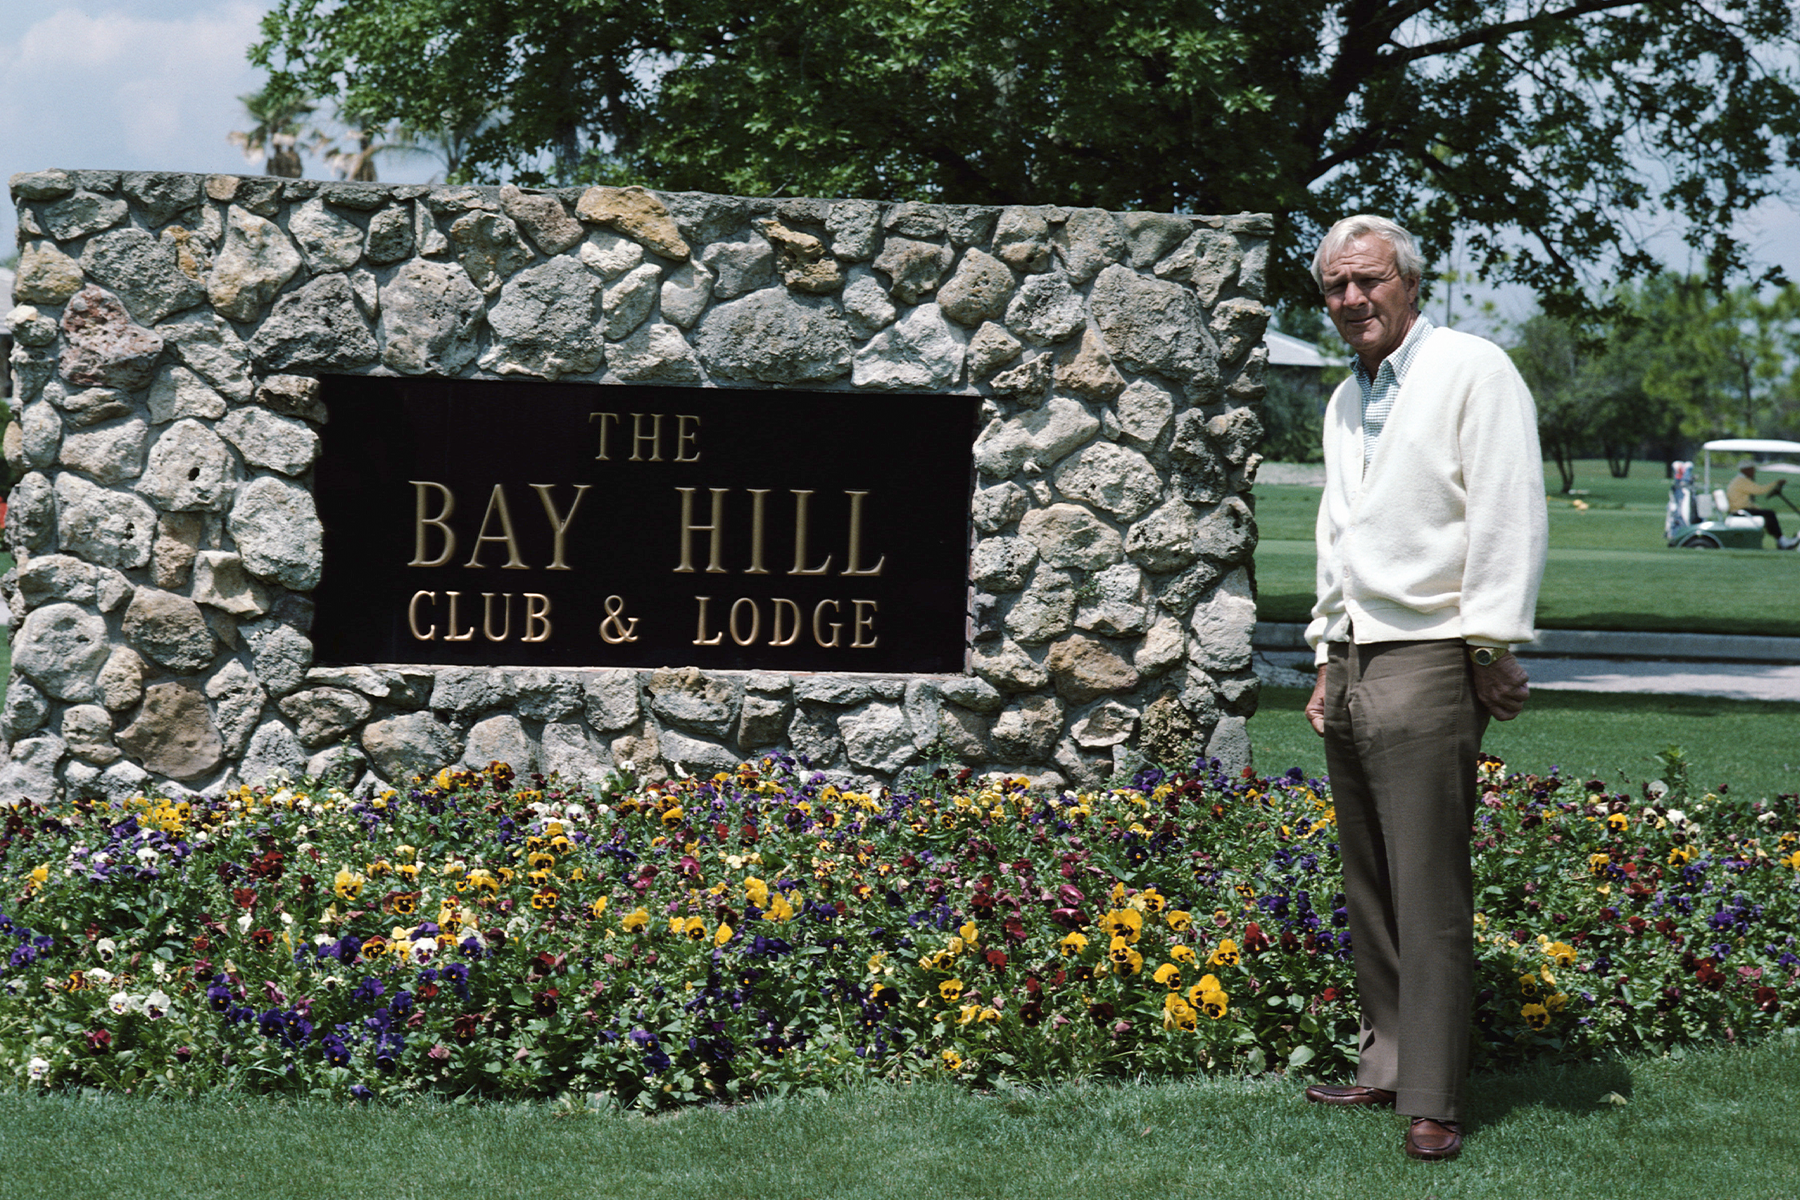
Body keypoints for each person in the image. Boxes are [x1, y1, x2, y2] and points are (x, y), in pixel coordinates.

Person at [1299, 215, 1549, 1162]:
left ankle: (1435, 1096)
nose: (1351, 300)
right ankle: (1386, 1063)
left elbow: (1506, 510)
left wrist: (1490, 646)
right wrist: (1327, 656)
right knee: (1370, 879)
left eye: (1367, 280)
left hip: (1430, 655)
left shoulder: (1472, 370)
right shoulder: (1344, 396)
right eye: (1333, 287)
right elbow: (1336, 536)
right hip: (1357, 656)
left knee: (1429, 882)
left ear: (1410, 281)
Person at [1724, 460, 1798, 549]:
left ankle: (1780, 541)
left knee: (1768, 513)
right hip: (1739, 511)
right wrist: (1775, 483)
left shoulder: (1740, 480)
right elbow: (1760, 490)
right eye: (1752, 469)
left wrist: (1757, 508)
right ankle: (1781, 541)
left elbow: (1745, 501)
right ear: (1745, 470)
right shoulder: (1741, 481)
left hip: (1740, 509)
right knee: (1770, 514)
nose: (1753, 472)